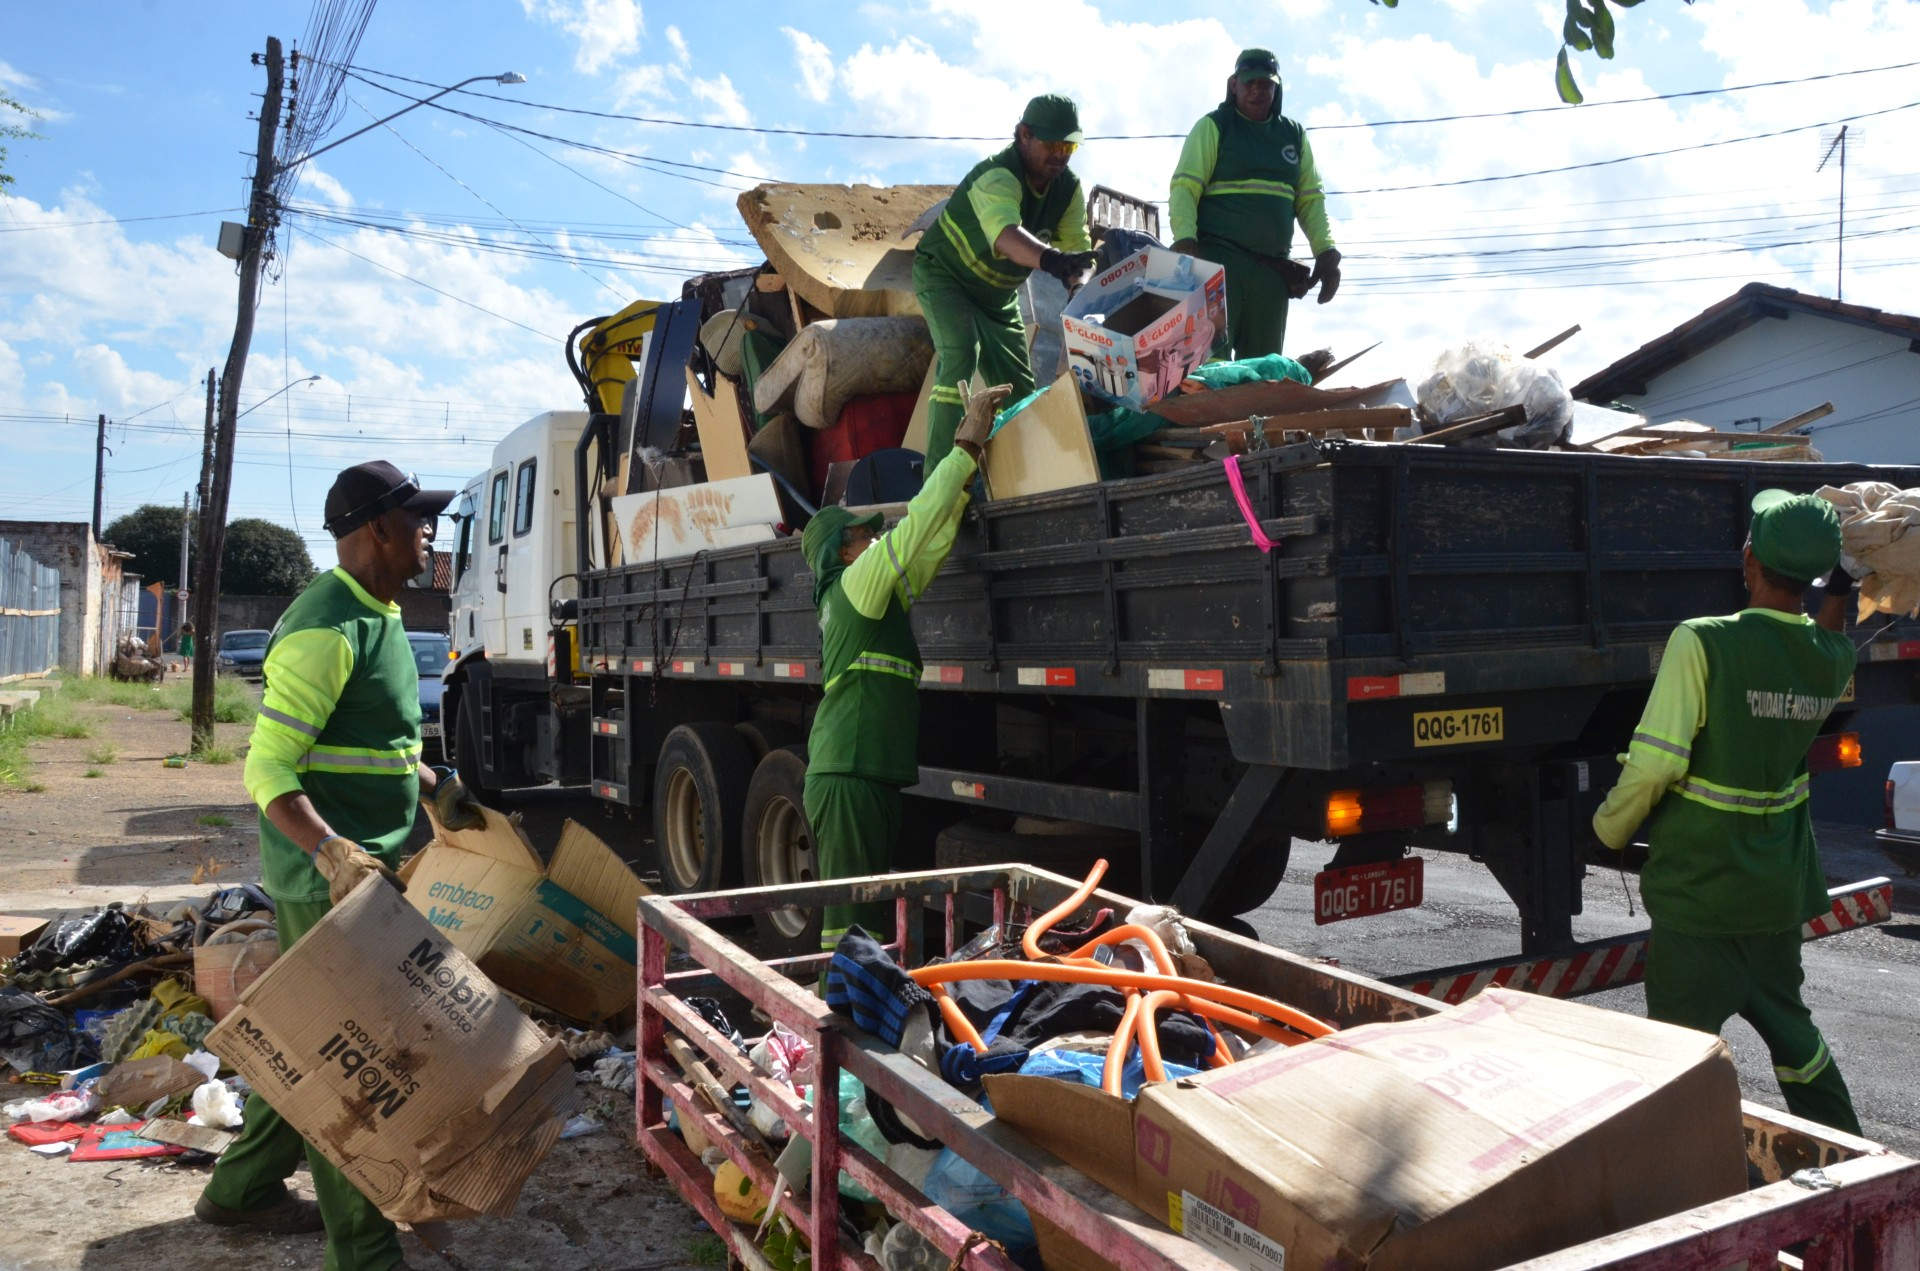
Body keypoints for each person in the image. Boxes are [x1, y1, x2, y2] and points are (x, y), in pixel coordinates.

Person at [194, 460, 490, 1271]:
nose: (428, 534)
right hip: (328, 883)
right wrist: (329, 850)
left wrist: (437, 785)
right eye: (416, 521)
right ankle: (361, 1255)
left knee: (315, 1046)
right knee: (350, 1070)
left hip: (374, 877)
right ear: (375, 531)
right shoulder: (325, 628)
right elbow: (268, 769)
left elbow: (382, 743)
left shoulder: (382, 615)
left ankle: (243, 1188)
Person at [1592, 489, 1861, 1135]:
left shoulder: (1703, 642)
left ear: (1748, 561)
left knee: (1679, 1064)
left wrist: (1608, 828)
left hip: (1702, 897)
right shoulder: (1831, 661)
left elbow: (1656, 763)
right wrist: (1842, 584)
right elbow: (1825, 633)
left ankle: (1693, 1186)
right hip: (1776, 893)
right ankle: (1854, 1157)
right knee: (1797, 1041)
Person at [802, 384, 1010, 949]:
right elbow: (914, 525)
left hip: (865, 771)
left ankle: (852, 1008)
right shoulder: (855, 586)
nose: (876, 536)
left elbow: (928, 546)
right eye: (865, 533)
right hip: (850, 774)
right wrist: (964, 443)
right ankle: (831, 1022)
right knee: (847, 924)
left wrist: (961, 488)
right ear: (843, 551)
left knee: (864, 919)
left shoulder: (873, 596)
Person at [914, 93, 1097, 470]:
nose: (1061, 154)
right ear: (1023, 134)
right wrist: (1054, 261)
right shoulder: (998, 175)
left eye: (1069, 145)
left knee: (1020, 389)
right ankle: (936, 480)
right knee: (961, 354)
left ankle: (1030, 477)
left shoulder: (1068, 189)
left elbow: (1079, 255)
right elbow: (1006, 238)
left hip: (995, 295)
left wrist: (1081, 292)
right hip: (945, 275)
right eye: (1052, 144)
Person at [1168, 48, 1341, 360]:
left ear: (1277, 88)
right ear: (1234, 84)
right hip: (1219, 264)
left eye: (1266, 84)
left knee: (1261, 368)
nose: (1258, 90)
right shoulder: (1214, 126)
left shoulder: (1294, 135)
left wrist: (1325, 251)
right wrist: (1185, 237)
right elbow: (1184, 187)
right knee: (1210, 365)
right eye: (1250, 83)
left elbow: (1311, 198)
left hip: (1271, 274)